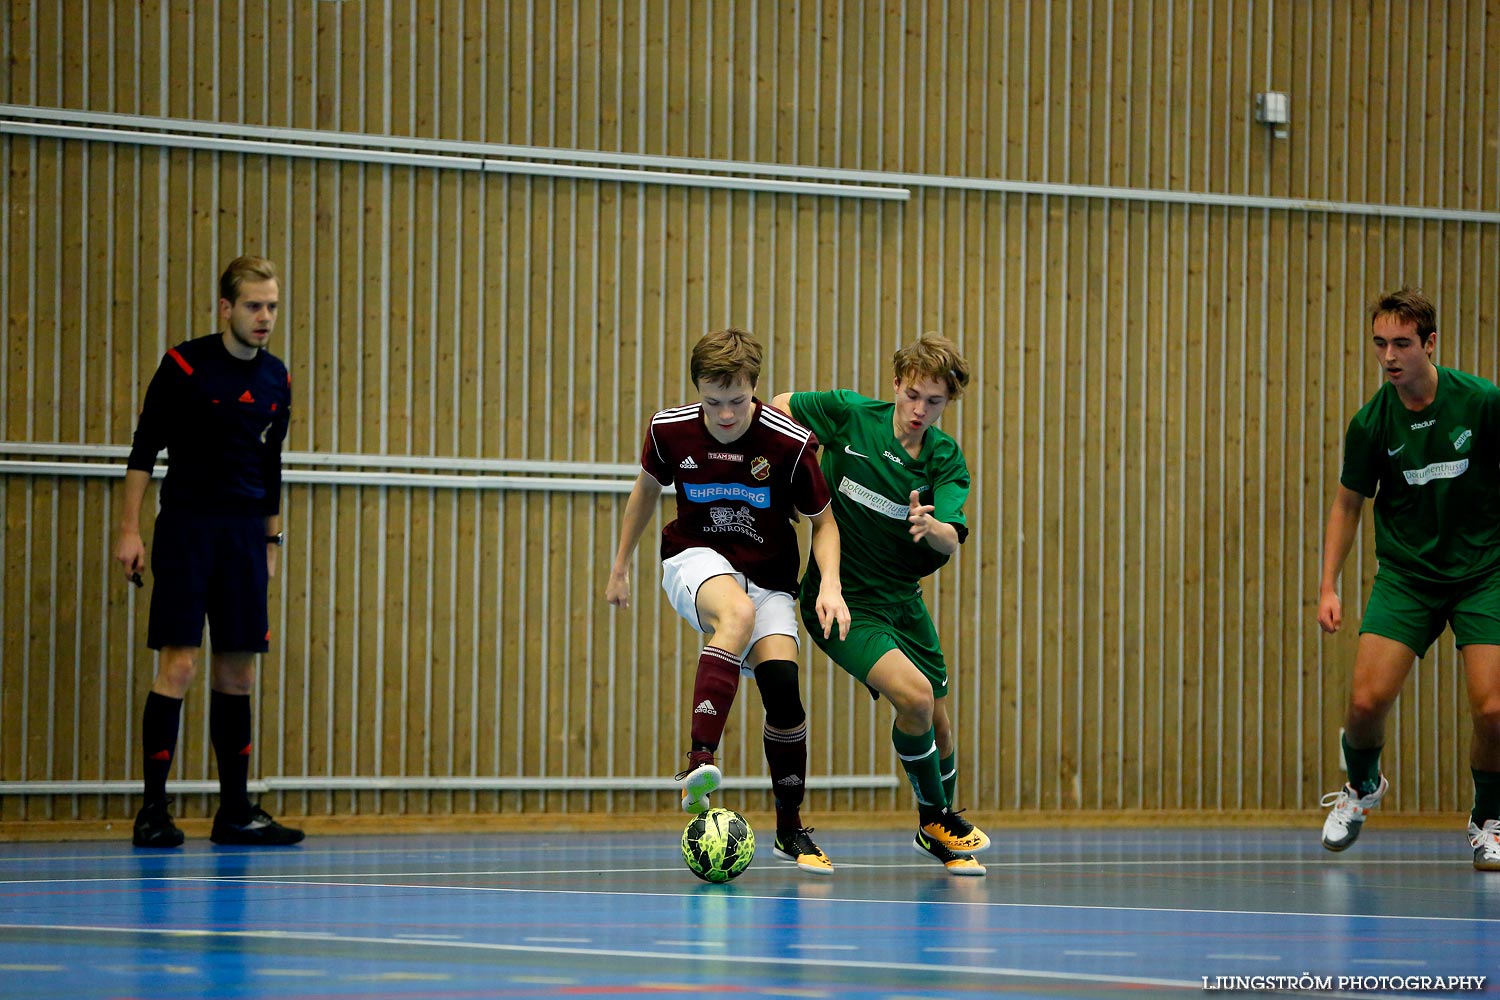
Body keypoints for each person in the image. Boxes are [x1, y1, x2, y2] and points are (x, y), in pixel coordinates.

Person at [606, 327, 851, 874]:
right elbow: (646, 492)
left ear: (755, 389)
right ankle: (700, 762)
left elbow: (823, 522)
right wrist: (620, 566)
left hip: (769, 576)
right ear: (697, 390)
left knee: (784, 695)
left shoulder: (789, 444)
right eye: (712, 402)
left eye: (736, 402)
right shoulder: (669, 431)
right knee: (734, 614)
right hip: (694, 558)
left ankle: (790, 829)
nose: (723, 414)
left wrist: (829, 584)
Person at [772, 333, 988, 876]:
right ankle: (935, 819)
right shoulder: (849, 414)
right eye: (912, 394)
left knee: (939, 723)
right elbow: (777, 408)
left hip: (904, 603)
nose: (919, 410)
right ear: (896, 384)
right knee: (914, 698)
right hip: (840, 600)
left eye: (934, 402)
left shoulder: (945, 459)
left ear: (947, 403)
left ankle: (938, 828)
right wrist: (792, 468)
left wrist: (932, 526)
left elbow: (952, 539)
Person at [113, 255, 303, 848]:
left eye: (272, 305)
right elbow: (144, 451)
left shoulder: (277, 378)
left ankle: (235, 812)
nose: (264, 316)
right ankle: (152, 812)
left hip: (246, 535)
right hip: (189, 530)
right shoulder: (182, 365)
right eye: (253, 305)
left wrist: (271, 539)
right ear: (226, 308)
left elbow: (271, 464)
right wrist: (129, 530)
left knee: (238, 671)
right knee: (181, 664)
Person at [1317, 287, 1500, 871]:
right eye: (1380, 344)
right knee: (1366, 702)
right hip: (1407, 576)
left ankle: (1489, 820)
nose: (1389, 356)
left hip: (1483, 572)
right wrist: (1329, 585)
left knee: (1494, 711)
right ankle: (1362, 787)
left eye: (1401, 343)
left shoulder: (1482, 403)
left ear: (1430, 344)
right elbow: (1348, 505)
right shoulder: (1371, 425)